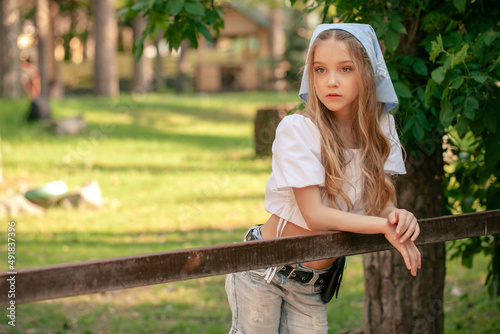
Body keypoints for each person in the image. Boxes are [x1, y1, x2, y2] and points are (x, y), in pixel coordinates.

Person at [225, 23, 422, 334]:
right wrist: (385, 227)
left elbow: (379, 205)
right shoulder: (299, 130)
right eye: (320, 70)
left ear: (367, 74)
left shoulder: (382, 130)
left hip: (312, 284)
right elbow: (315, 217)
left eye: (345, 69)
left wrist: (398, 218)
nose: (331, 81)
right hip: (265, 271)